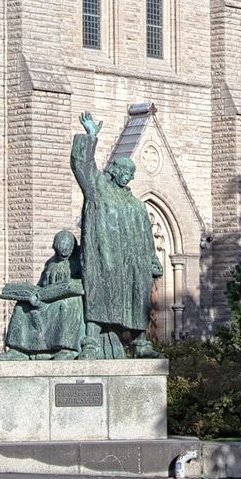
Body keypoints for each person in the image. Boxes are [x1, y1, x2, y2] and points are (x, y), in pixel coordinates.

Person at [69, 113, 164, 358]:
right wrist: (90, 137)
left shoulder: (136, 204)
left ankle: (141, 343)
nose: (129, 176)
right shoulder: (98, 188)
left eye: (131, 174)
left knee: (138, 297)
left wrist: (153, 259)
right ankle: (90, 343)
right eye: (125, 171)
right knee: (100, 293)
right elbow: (82, 166)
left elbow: (146, 234)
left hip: (133, 262)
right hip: (106, 258)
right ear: (113, 170)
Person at [0, 229, 87, 359]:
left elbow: (85, 283)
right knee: (22, 307)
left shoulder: (81, 259)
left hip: (70, 299)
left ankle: (67, 349)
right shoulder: (51, 263)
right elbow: (42, 284)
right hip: (46, 299)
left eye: (66, 252)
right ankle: (19, 350)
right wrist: (34, 294)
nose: (63, 255)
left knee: (67, 305)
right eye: (59, 252)